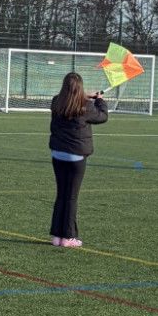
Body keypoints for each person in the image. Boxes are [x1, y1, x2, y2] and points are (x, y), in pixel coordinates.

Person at [47, 72, 109, 248]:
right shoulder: (86, 106)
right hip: (76, 156)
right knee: (71, 197)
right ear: (80, 88)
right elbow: (102, 116)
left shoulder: (56, 101)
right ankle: (68, 237)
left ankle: (57, 236)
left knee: (61, 195)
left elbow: (70, 99)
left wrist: (87, 97)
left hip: (58, 154)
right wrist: (100, 100)